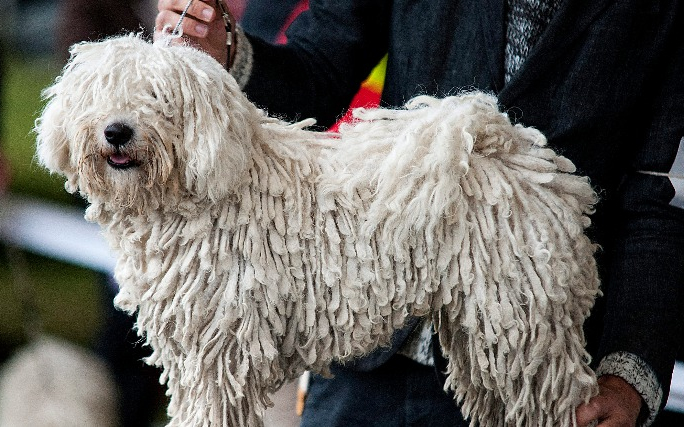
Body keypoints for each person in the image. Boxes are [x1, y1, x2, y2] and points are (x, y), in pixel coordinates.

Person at [154, 1, 684, 426]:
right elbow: (318, 70)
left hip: (540, 366)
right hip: (365, 352)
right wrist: (227, 53)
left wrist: (630, 373)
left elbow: (661, 193)